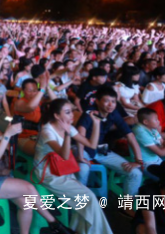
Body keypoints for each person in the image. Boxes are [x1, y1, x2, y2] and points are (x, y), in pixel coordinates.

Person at [0, 98, 74, 234]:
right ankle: (55, 224)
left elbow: (6, 147)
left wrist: (12, 135)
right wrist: (7, 135)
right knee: (29, 188)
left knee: (26, 205)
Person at [34, 98, 112, 234]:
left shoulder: (68, 128)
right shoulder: (47, 131)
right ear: (57, 116)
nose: (72, 115)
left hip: (62, 170)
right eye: (68, 112)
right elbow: (64, 155)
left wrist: (96, 124)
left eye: (72, 112)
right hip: (48, 173)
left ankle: (79, 230)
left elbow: (91, 145)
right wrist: (67, 134)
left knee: (86, 201)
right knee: (89, 198)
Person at [76, 86, 144, 208]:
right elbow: (80, 134)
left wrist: (138, 161)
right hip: (83, 149)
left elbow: (130, 136)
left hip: (101, 150)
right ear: (97, 101)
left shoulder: (114, 114)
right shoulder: (89, 113)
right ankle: (79, 207)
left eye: (113, 101)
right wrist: (80, 157)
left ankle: (126, 207)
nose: (111, 105)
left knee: (135, 173)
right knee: (83, 169)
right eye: (106, 101)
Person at [131, 108, 165, 177]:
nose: (158, 121)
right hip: (146, 164)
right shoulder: (140, 131)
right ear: (146, 122)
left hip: (157, 160)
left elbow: (162, 142)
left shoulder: (152, 129)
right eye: (156, 119)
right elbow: (161, 152)